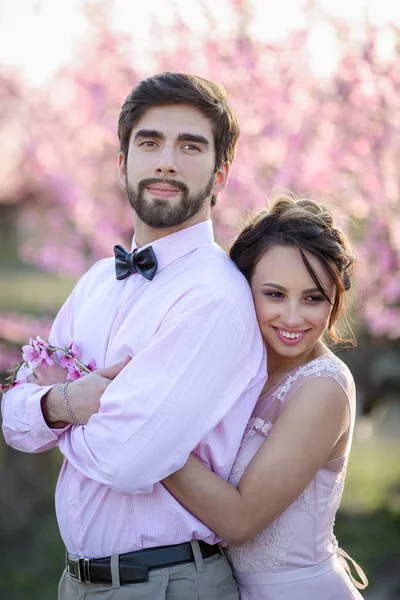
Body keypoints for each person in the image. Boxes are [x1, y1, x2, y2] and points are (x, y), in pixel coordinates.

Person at [1, 72, 267, 599]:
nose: (166, 161)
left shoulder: (214, 297)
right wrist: (69, 403)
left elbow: (129, 460)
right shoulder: (96, 281)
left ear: (220, 175)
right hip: (76, 581)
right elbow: (14, 423)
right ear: (124, 162)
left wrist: (50, 410)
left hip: (165, 585)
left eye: (190, 146)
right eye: (150, 142)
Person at [163, 195, 369, 599]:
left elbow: (240, 521)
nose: (293, 318)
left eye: (313, 299)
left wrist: (139, 436)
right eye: (275, 294)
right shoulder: (235, 367)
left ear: (335, 300)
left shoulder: (323, 387)